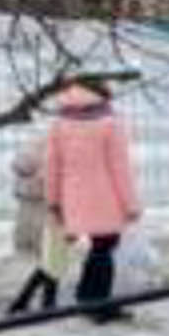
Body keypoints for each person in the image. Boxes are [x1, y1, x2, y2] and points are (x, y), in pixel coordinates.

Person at [43, 78, 142, 321]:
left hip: (72, 196)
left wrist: (53, 200)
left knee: (98, 249)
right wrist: (130, 205)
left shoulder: (60, 122)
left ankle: (86, 296)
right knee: (104, 247)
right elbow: (120, 168)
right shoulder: (109, 123)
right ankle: (98, 302)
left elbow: (52, 165)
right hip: (105, 198)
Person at [7, 140, 66, 314]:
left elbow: (18, 195)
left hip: (28, 223)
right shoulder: (48, 173)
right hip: (49, 221)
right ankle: (40, 302)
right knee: (53, 261)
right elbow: (56, 197)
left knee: (50, 262)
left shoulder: (22, 177)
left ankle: (28, 301)